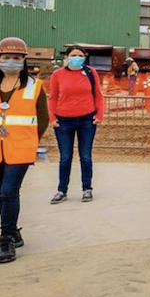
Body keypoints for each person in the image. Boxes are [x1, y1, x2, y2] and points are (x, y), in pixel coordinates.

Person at [0, 37, 50, 263]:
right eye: (6, 57)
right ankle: (13, 233)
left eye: (16, 58)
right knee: (1, 191)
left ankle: (7, 237)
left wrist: (29, 140)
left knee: (9, 191)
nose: (11, 61)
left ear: (23, 61)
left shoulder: (33, 86)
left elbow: (43, 119)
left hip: (20, 148)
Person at [48, 46, 105, 204]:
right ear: (66, 57)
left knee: (85, 156)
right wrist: (52, 117)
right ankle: (62, 190)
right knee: (65, 157)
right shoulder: (58, 74)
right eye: (73, 55)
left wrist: (99, 115)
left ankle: (87, 188)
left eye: (80, 55)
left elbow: (98, 95)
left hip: (87, 120)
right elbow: (52, 97)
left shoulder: (90, 72)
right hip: (64, 120)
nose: (77, 57)